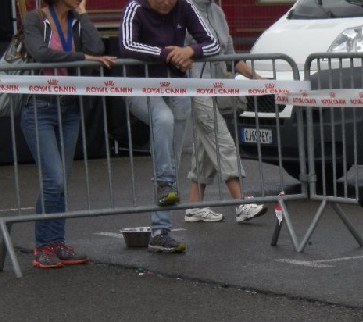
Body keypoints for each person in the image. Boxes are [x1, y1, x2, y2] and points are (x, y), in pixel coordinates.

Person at [20, 0, 115, 269]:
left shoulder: (75, 21)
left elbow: (97, 49)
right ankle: (43, 247)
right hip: (39, 107)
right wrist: (82, 58)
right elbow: (41, 54)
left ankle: (56, 242)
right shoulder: (35, 18)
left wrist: (83, 15)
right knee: (54, 180)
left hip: (70, 108)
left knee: (62, 180)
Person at [119, 0, 220, 253]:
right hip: (140, 88)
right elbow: (127, 45)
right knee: (163, 118)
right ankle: (166, 183)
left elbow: (213, 42)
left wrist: (190, 52)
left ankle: (161, 231)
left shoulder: (184, 6)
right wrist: (168, 54)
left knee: (173, 154)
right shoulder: (135, 8)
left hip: (176, 87)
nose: (166, 3)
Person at [184, 0, 267, 225]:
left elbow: (229, 54)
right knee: (221, 140)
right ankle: (241, 203)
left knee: (205, 146)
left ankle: (193, 206)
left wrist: (254, 77)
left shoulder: (217, 12)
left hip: (215, 85)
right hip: (194, 86)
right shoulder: (185, 8)